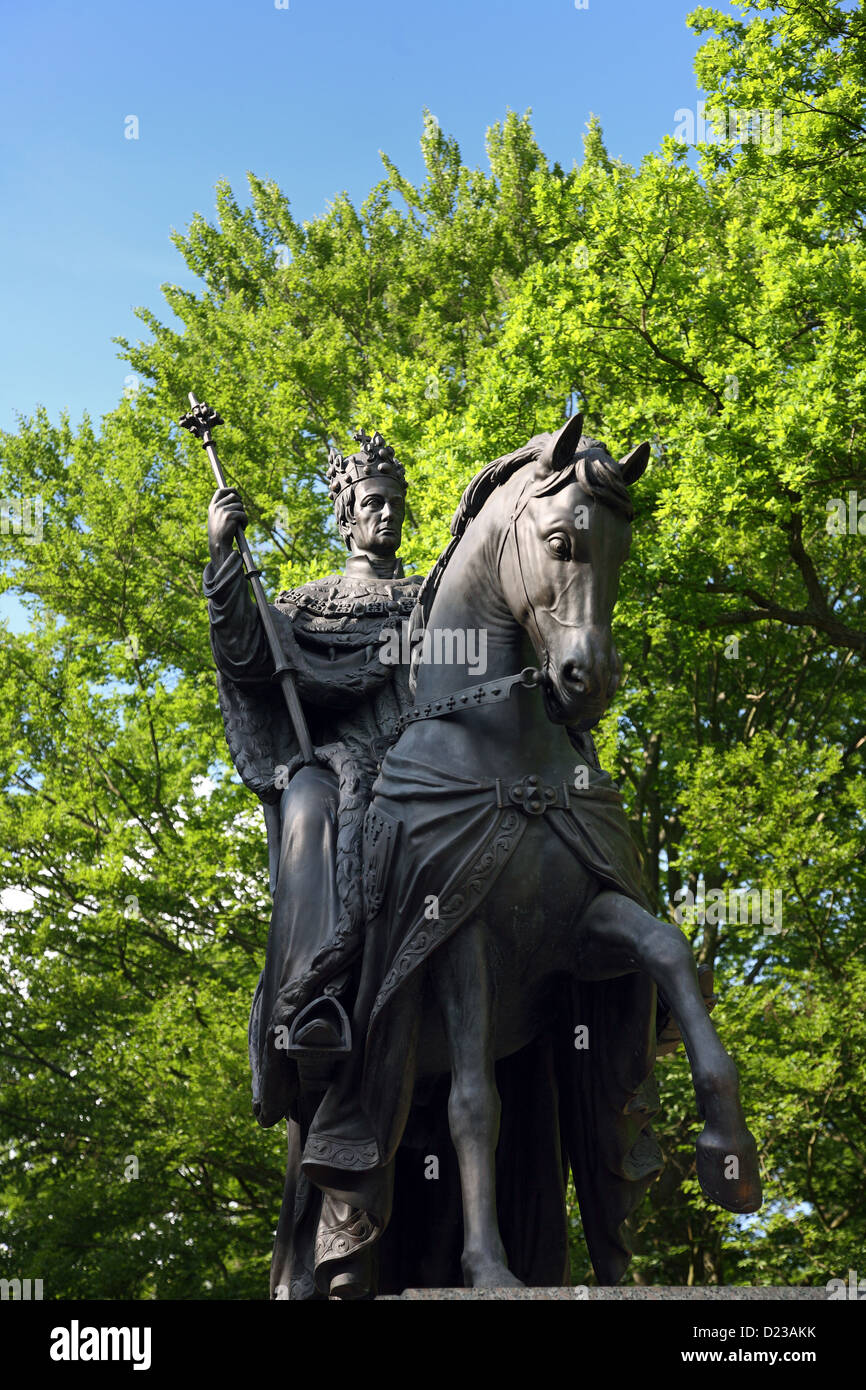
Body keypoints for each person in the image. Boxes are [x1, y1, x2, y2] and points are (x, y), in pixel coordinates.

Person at [203, 429, 422, 1297]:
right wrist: (225, 559)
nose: (386, 515)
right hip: (338, 775)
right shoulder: (305, 602)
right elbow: (249, 656)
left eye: (396, 504)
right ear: (344, 514)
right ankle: (315, 1002)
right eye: (371, 502)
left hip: (427, 771)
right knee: (306, 806)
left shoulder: (432, 598)